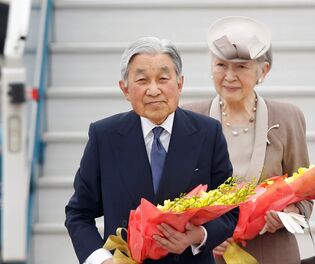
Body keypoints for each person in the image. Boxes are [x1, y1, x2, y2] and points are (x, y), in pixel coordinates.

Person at [65, 37, 237, 264]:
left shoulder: (208, 132)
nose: (154, 90)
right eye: (142, 80)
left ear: (180, 83)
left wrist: (197, 236)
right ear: (125, 89)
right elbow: (78, 214)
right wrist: (102, 260)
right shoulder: (104, 136)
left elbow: (230, 210)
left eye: (163, 79)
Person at [181, 16, 312, 264]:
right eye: (221, 65)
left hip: (271, 252)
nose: (229, 76)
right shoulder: (189, 118)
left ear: (263, 71)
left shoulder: (287, 117)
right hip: (206, 254)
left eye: (241, 67)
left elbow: (304, 192)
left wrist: (287, 214)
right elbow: (173, 193)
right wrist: (206, 233)